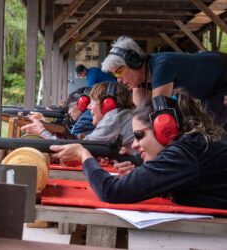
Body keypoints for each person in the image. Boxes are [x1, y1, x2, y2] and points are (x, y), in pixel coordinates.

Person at [50, 88, 227, 209]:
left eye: (140, 135)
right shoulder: (191, 146)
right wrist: (143, 170)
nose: (134, 144)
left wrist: (83, 155)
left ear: (164, 129)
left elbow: (111, 192)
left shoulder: (183, 153)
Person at [101, 36, 227, 127]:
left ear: (134, 62)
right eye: (114, 74)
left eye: (119, 72)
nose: (119, 79)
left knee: (217, 133)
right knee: (210, 128)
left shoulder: (162, 66)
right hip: (211, 92)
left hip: (222, 80)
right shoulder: (141, 78)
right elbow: (142, 116)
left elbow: (159, 113)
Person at [22, 87, 95, 139]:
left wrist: (44, 126)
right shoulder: (86, 116)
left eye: (71, 106)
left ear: (82, 103)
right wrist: (45, 122)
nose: (69, 112)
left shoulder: (85, 118)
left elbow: (71, 140)